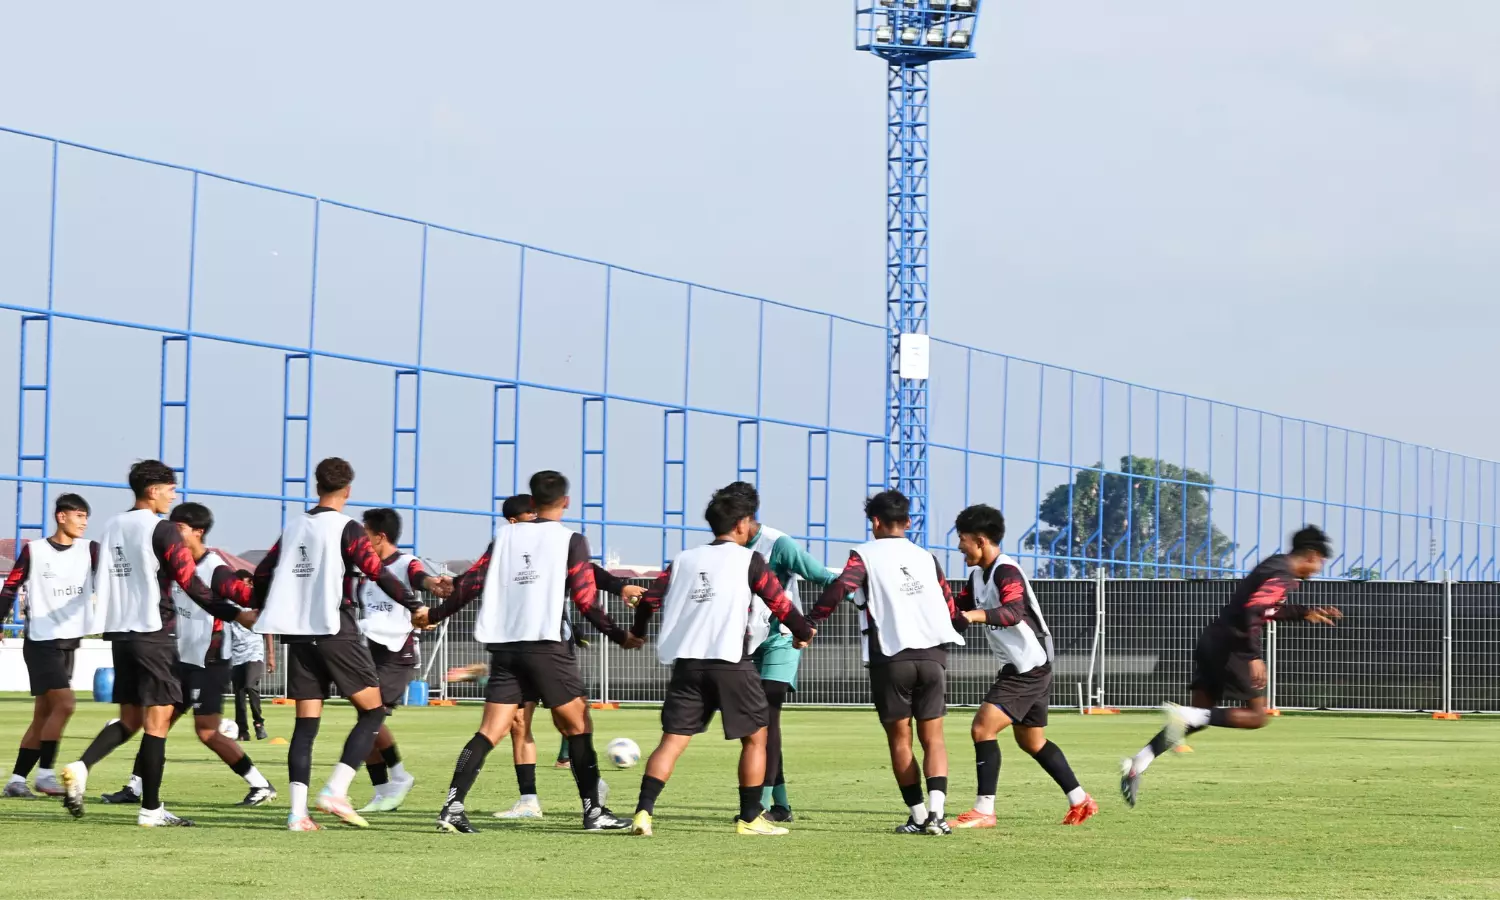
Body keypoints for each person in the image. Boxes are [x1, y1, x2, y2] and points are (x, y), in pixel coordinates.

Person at [422, 470, 641, 835]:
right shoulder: (571, 539)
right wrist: (619, 635)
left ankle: (452, 807)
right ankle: (594, 812)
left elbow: (472, 582)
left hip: (505, 648)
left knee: (490, 730)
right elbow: (585, 599)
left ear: (533, 501)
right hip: (546, 646)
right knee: (578, 726)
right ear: (566, 501)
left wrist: (434, 614)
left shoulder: (504, 536)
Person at [59, 461, 257, 827]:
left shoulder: (112, 525)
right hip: (153, 634)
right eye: (170, 489)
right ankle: (151, 810)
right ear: (153, 490)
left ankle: (81, 766)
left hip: (120, 636)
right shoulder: (161, 529)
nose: (173, 495)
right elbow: (190, 582)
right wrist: (235, 614)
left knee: (131, 718)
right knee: (157, 723)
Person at [250, 457, 433, 831]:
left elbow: (263, 573)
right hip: (335, 630)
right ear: (347, 490)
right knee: (373, 712)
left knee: (305, 726)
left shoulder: (294, 526)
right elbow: (377, 571)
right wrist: (415, 604)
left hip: (299, 635)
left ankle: (297, 814)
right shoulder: (346, 528)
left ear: (317, 486)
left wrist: (264, 604)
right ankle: (336, 790)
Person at [626, 490, 816, 837]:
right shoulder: (750, 560)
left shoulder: (683, 560)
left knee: (672, 741)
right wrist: (803, 632)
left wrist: (637, 633)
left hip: (688, 665)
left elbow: (650, 600)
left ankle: (643, 812)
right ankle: (750, 818)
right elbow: (779, 603)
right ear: (742, 524)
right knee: (756, 738)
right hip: (730, 662)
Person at [1121, 525, 1341, 807]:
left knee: (1195, 719)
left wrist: (1304, 612)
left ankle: (1137, 764)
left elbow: (1264, 607)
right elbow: (1254, 611)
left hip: (1214, 639)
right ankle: (1183, 715)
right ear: (1312, 555)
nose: (1319, 568)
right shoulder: (1282, 574)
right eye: (1321, 561)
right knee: (1256, 716)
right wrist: (1253, 655)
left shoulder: (1275, 565)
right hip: (1233, 647)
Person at [98, 503, 276, 808]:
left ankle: (260, 785)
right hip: (178, 660)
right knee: (157, 724)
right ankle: (134, 788)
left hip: (209, 662)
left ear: (198, 532)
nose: (171, 532)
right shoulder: (169, 565)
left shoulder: (214, 568)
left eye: (178, 527)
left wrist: (268, 597)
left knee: (206, 732)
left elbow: (245, 596)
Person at [811, 490, 967, 835]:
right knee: (934, 738)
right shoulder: (927, 557)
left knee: (900, 739)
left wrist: (810, 621)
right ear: (908, 521)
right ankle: (938, 815)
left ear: (875, 522)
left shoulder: (864, 555)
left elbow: (841, 588)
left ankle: (918, 816)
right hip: (933, 655)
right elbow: (949, 605)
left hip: (890, 656)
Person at [490, 493, 644, 821]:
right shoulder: (510, 546)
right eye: (529, 517)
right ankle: (529, 800)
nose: (536, 521)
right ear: (514, 522)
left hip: (552, 643)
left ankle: (592, 789)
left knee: (568, 722)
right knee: (518, 723)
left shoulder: (554, 541)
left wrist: (619, 587)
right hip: (516, 643)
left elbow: (585, 571)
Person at [946, 504, 1097, 828]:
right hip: (1025, 665)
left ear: (980, 540)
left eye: (962, 539)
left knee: (982, 728)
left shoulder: (1006, 571)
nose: (959, 546)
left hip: (1027, 666)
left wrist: (973, 616)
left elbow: (1013, 612)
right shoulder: (977, 576)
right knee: (1031, 741)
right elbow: (955, 609)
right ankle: (1080, 799)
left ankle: (984, 810)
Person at [711, 481, 837, 823]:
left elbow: (824, 577)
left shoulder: (779, 544)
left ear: (746, 518)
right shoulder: (726, 548)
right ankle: (781, 805)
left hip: (782, 639)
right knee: (757, 723)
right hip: (746, 643)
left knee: (767, 715)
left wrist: (813, 619)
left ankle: (760, 805)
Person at [1, 494, 98, 799]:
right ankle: (45, 774)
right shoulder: (35, 550)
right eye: (79, 516)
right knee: (65, 705)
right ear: (61, 516)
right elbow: (11, 586)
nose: (84, 522)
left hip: (70, 642)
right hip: (41, 641)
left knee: (43, 715)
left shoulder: (91, 550)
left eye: (86, 517)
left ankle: (16, 781)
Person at [356, 507, 450, 813]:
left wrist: (432, 584)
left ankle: (399, 776)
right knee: (365, 722)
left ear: (379, 536)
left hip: (397, 653)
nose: (360, 540)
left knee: (371, 719)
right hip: (369, 649)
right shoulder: (365, 569)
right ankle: (382, 792)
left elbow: (420, 577)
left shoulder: (405, 562)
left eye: (365, 534)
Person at [229, 571, 273, 742]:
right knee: (239, 693)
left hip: (254, 652)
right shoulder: (229, 604)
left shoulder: (257, 603)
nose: (247, 586)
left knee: (250, 685)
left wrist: (270, 655)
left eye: (249, 583)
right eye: (244, 583)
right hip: (236, 654)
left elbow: (267, 629)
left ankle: (259, 723)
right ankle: (243, 730)